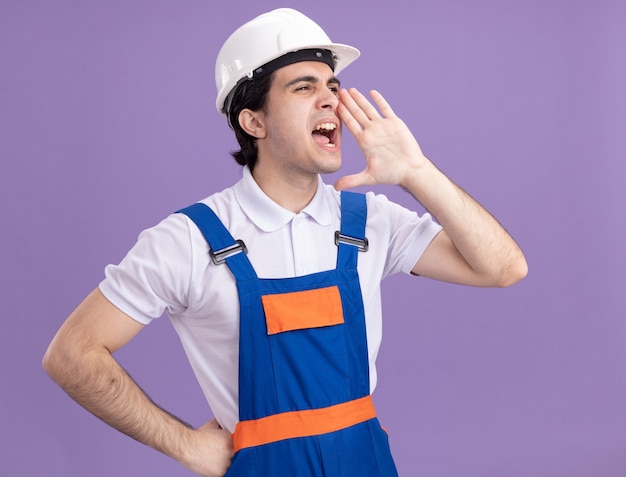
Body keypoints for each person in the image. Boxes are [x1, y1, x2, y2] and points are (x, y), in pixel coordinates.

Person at [43, 8, 527, 477]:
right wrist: (185, 444)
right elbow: (72, 354)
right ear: (254, 122)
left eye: (332, 87)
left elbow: (503, 268)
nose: (331, 101)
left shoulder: (369, 222)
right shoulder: (189, 240)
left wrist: (417, 173)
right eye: (304, 87)